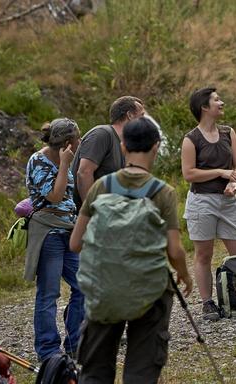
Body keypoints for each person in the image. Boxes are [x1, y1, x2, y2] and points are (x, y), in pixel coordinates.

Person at [70, 116, 192, 383]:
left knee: (95, 372)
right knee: (141, 372)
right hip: (149, 291)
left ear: (123, 146)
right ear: (156, 147)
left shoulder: (102, 186)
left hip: (105, 288)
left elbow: (75, 243)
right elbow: (175, 250)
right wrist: (184, 274)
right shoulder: (163, 192)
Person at [181, 87, 236, 320]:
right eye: (216, 100)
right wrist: (221, 172)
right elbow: (189, 174)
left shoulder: (228, 132)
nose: (222, 103)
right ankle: (208, 302)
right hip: (202, 202)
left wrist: (234, 180)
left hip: (229, 200)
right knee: (203, 254)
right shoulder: (191, 139)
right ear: (204, 107)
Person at [23, 118, 84, 361]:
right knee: (49, 293)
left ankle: (75, 342)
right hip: (48, 232)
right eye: (77, 139)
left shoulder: (64, 160)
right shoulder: (38, 160)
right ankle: (47, 349)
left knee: (83, 286)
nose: (80, 143)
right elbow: (55, 196)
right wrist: (65, 165)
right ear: (68, 143)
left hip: (68, 230)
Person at [72, 96, 146, 208]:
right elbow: (84, 173)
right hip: (87, 217)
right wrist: (92, 211)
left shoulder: (124, 145)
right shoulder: (102, 134)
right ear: (129, 115)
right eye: (141, 116)